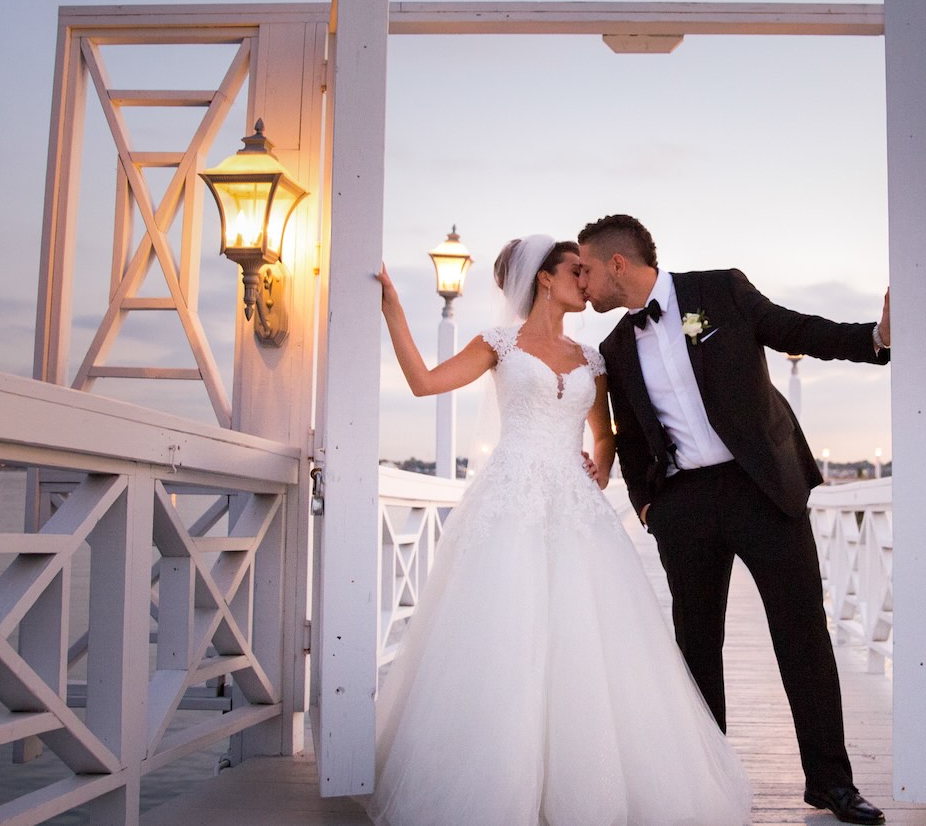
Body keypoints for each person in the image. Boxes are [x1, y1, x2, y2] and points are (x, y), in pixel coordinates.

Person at [367, 235, 752, 826]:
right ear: (545, 279)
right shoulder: (498, 345)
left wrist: (600, 462)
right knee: (506, 638)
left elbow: (606, 434)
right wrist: (393, 305)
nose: (587, 279)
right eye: (576, 270)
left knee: (591, 641)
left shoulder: (591, 359)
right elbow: (422, 381)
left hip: (575, 509)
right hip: (510, 501)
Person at [576, 214, 891, 826]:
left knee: (803, 634)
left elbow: (795, 328)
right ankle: (706, 783)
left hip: (762, 489)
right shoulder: (613, 348)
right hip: (683, 506)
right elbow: (632, 438)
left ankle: (831, 782)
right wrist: (649, 506)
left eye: (585, 268)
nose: (580, 281)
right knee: (696, 648)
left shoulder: (719, 291)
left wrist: (874, 337)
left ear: (618, 264)